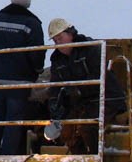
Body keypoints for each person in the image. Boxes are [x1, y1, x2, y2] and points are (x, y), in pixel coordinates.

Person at [0, 0, 45, 155]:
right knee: (13, 123)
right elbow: (37, 54)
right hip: (19, 84)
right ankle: (7, 161)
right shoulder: (32, 24)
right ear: (28, 4)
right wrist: (35, 72)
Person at [47, 18, 127, 154]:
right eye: (55, 41)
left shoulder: (90, 48)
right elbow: (55, 85)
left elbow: (98, 75)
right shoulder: (57, 60)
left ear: (71, 34)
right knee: (67, 131)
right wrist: (54, 105)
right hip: (83, 102)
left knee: (88, 127)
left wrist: (77, 90)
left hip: (106, 98)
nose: (58, 43)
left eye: (60, 38)